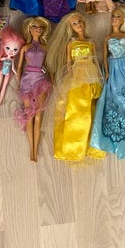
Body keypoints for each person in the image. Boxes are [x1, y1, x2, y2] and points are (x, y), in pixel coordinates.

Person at [46, 12, 105, 161]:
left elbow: (95, 60)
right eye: (74, 24)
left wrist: (99, 76)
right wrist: (70, 76)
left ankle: (89, 145)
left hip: (91, 72)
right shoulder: (71, 42)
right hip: (78, 74)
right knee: (77, 109)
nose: (78, 25)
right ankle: (74, 147)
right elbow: (68, 62)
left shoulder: (90, 41)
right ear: (70, 28)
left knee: (92, 108)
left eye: (80, 22)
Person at [90, 8, 125, 159]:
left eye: (118, 16)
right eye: (113, 16)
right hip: (113, 68)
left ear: (123, 20)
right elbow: (105, 57)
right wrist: (106, 72)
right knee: (114, 98)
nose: (114, 18)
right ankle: (115, 137)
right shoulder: (108, 37)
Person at [15, 17, 52, 162]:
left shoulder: (44, 47)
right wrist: (18, 82)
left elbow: (48, 65)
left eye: (40, 27)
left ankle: (35, 149)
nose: (38, 29)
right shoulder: (25, 47)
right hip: (27, 79)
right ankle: (32, 150)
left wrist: (52, 78)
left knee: (38, 115)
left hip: (40, 80)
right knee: (29, 114)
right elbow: (19, 67)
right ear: (29, 29)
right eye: (35, 26)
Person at [0, 26, 24, 107]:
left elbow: (13, 68)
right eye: (8, 48)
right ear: (3, 46)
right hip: (2, 71)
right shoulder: (4, 58)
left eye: (15, 50)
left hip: (7, 73)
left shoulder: (12, 60)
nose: (11, 52)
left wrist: (16, 73)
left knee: (4, 87)